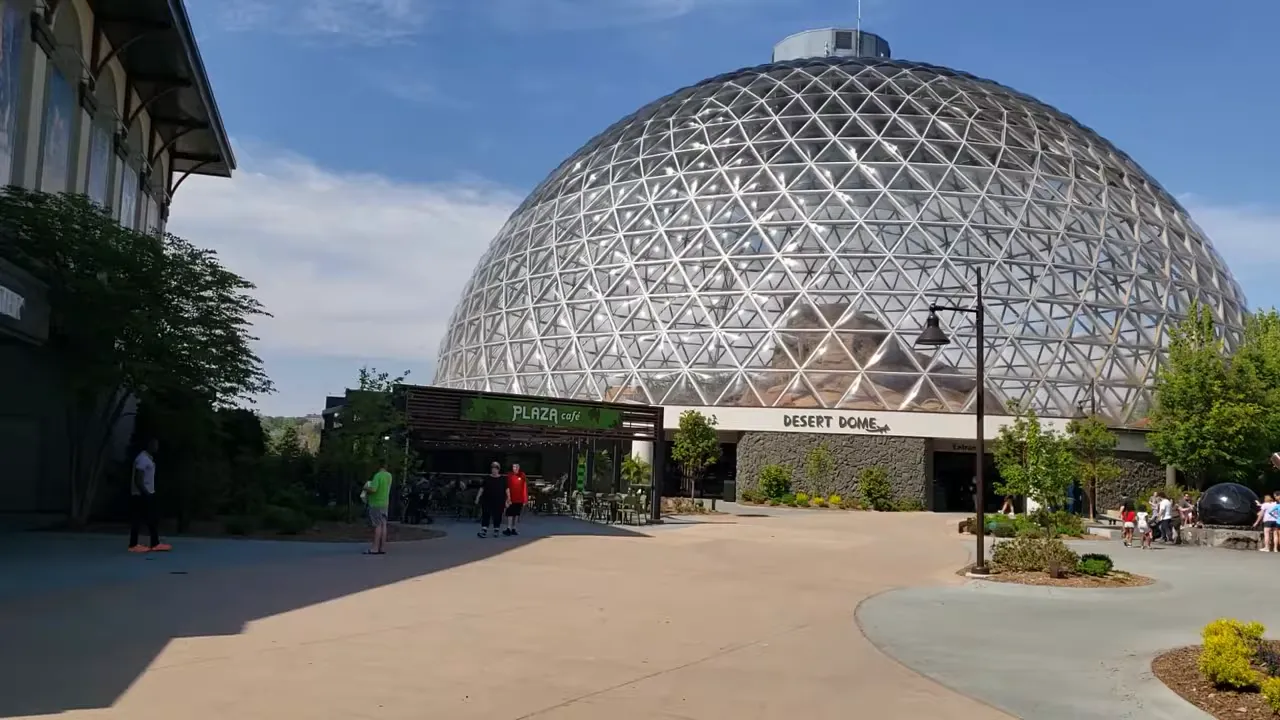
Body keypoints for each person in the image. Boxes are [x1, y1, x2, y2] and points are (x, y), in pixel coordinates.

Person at [128, 439, 171, 553]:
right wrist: (145, 493)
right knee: (138, 519)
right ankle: (134, 544)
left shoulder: (147, 459)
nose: (157, 447)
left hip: (147, 492)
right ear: (149, 445)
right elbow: (138, 479)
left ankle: (155, 543)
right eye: (154, 445)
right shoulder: (143, 459)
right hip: (141, 494)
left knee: (152, 518)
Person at [362, 463, 393, 555]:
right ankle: (382, 547)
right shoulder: (389, 476)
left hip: (376, 503)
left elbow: (374, 489)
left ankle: (375, 548)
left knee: (377, 525)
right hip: (385, 502)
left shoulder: (378, 476)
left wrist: (366, 488)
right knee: (384, 525)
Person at [476, 462, 510, 538]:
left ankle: (496, 530)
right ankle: (484, 530)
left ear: (498, 470)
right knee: (486, 515)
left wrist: (508, 499)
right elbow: (481, 489)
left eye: (495, 469)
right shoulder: (487, 478)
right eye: (493, 469)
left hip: (499, 500)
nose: (494, 471)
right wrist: (478, 497)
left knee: (498, 515)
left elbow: (507, 489)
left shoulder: (503, 479)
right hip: (487, 500)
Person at [504, 463, 529, 536]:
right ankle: (508, 528)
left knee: (516, 514)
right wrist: (507, 498)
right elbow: (506, 487)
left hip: (519, 499)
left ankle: (514, 528)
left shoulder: (522, 475)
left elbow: (524, 487)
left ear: (519, 467)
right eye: (514, 467)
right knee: (510, 514)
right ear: (512, 468)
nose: (515, 468)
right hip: (511, 499)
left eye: (517, 466)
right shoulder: (509, 475)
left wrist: (525, 499)